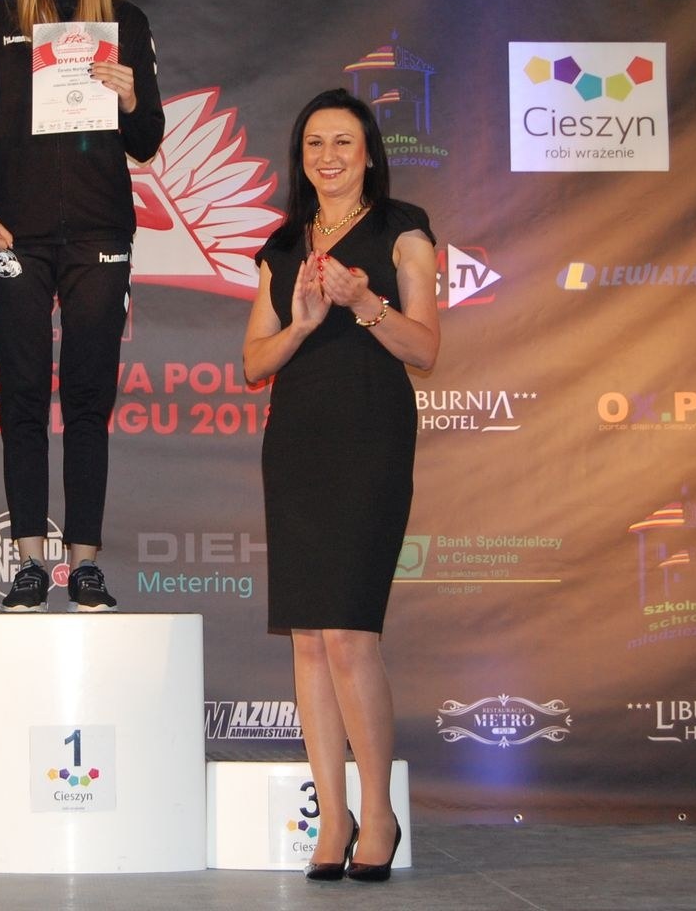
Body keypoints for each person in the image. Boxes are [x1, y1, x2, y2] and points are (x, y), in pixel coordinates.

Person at [0, 0, 163, 612]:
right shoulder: (0, 18)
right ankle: (32, 562)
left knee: (90, 399)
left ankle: (86, 562)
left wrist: (129, 98)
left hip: (100, 232)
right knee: (24, 397)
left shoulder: (125, 20)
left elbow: (147, 139)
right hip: (17, 235)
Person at [241, 88, 439, 882]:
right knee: (310, 641)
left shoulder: (403, 229)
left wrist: (364, 303)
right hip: (296, 443)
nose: (328, 156)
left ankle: (378, 812)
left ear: (368, 154)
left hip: (370, 440)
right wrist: (301, 324)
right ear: (302, 158)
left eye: (343, 142)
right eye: (315, 143)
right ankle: (334, 817)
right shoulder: (281, 245)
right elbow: (253, 363)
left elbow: (425, 349)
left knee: (351, 635)